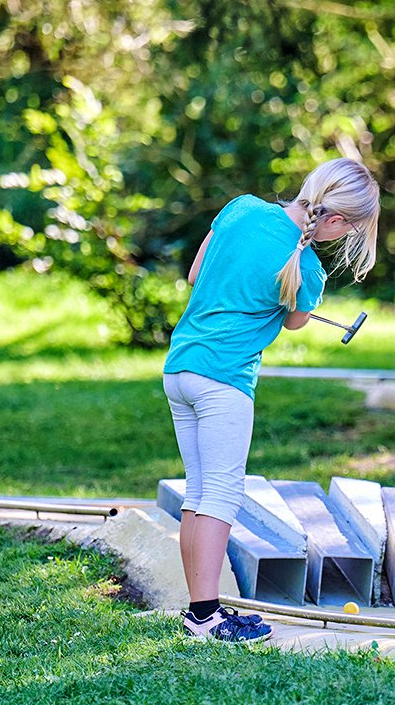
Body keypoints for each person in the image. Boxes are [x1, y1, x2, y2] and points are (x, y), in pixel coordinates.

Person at [163, 157, 381, 643]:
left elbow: (197, 274)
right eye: (348, 231)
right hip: (224, 382)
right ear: (336, 220)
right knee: (221, 493)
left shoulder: (241, 208)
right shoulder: (308, 269)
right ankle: (206, 616)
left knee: (198, 491)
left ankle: (198, 611)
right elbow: (295, 321)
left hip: (180, 368)